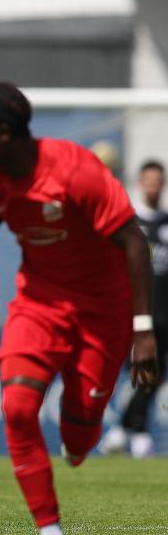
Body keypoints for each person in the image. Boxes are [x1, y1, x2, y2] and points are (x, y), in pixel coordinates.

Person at [0, 82, 160, 535]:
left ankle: (82, 431)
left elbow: (135, 244)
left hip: (105, 311)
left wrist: (143, 330)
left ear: (5, 135)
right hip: (37, 306)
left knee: (80, 434)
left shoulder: (75, 168)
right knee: (17, 407)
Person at [100, 160, 168, 457]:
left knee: (157, 372)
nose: (153, 184)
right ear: (141, 182)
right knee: (139, 371)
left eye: (158, 180)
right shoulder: (129, 220)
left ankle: (122, 430)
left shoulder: (166, 222)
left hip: (165, 310)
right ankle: (136, 433)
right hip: (136, 311)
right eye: (149, 179)